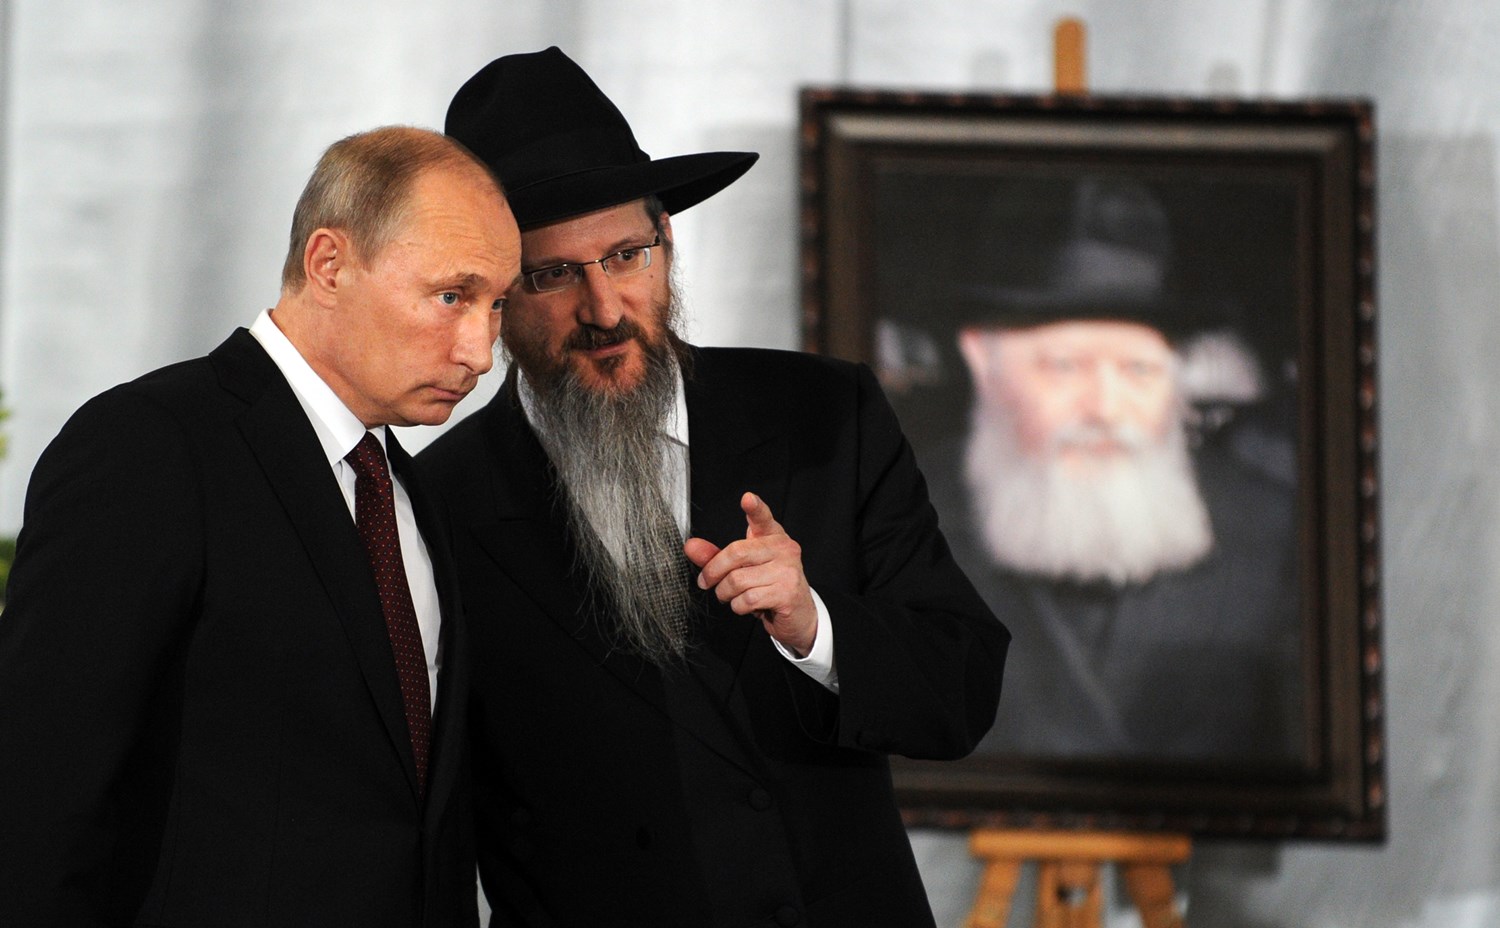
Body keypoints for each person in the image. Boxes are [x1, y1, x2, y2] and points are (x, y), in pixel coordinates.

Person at [419, 47, 1010, 928]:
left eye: (626, 255)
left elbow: (960, 694)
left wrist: (816, 625)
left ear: (667, 240)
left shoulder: (824, 416)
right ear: (491, 295)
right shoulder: (436, 505)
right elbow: (426, 824)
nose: (604, 308)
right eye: (554, 274)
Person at [0, 126, 521, 926]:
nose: (481, 352)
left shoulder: (412, 491)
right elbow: (38, 795)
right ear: (329, 264)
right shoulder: (149, 446)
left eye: (498, 305)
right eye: (453, 296)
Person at [928, 177, 1302, 762]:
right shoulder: (892, 522)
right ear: (983, 360)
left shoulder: (1275, 532)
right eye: (1065, 367)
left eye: (1138, 371)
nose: (1104, 408)